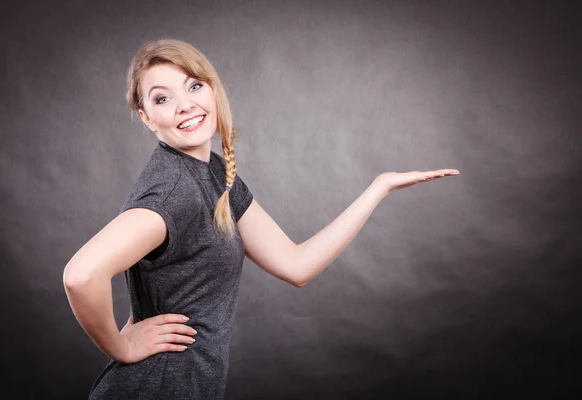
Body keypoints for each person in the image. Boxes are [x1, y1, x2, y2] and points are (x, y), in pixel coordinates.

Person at [63, 38, 460, 399]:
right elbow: (81, 275)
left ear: (213, 90)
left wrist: (378, 188)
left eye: (194, 86)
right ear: (147, 116)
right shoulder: (173, 190)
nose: (185, 104)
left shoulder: (214, 174)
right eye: (162, 98)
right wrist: (122, 344)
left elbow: (296, 265)